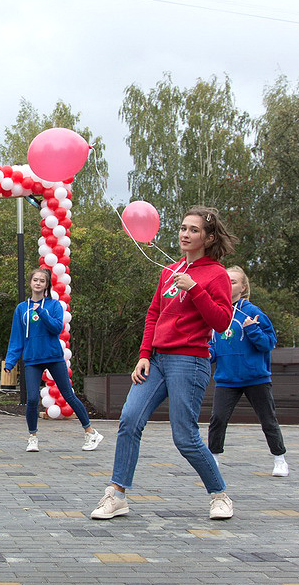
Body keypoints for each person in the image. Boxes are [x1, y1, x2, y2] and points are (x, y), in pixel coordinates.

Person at [91, 206, 237, 521]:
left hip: (190, 361)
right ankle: (116, 495)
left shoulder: (216, 275)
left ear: (208, 238)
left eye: (193, 230)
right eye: (183, 228)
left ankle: (219, 495)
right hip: (156, 361)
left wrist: (195, 290)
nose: (185, 234)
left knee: (184, 436)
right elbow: (154, 314)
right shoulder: (168, 272)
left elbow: (223, 322)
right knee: (129, 419)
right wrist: (144, 355)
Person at [4, 267, 103, 452]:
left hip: (53, 356)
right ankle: (32, 437)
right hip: (32, 359)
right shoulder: (21, 309)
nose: (38, 283)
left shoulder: (54, 305)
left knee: (68, 395)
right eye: (35, 280)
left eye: (42, 280)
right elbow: (16, 338)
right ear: (30, 282)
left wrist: (41, 312)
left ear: (47, 284)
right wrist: (10, 361)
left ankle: (91, 432)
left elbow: (57, 328)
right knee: (32, 399)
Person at [208, 266, 288, 477]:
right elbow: (213, 347)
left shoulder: (253, 312)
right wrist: (206, 354)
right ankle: (213, 459)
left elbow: (268, 343)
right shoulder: (216, 313)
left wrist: (252, 329)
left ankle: (279, 459)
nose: (228, 284)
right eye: (225, 280)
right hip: (227, 379)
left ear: (243, 288)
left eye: (233, 281)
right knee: (217, 418)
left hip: (255, 378)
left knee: (268, 419)